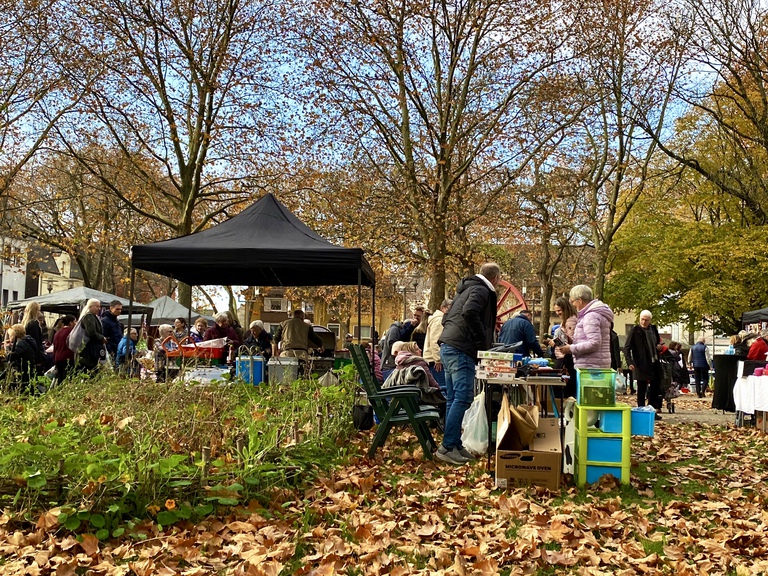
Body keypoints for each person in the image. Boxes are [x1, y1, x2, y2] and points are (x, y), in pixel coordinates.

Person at [436, 262, 501, 465]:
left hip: (449, 346)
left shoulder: (465, 290)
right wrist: (481, 340)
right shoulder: (481, 291)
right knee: (463, 397)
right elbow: (470, 312)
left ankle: (454, 444)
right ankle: (447, 447)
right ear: (496, 278)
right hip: (461, 349)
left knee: (454, 398)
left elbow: (446, 319)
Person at [557, 285, 614, 370]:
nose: (572, 304)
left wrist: (571, 348)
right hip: (596, 363)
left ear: (579, 300)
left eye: (572, 301)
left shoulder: (590, 316)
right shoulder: (595, 314)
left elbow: (594, 343)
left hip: (590, 366)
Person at [623, 310, 663, 415]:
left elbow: (658, 343)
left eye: (646, 320)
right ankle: (641, 412)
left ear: (650, 321)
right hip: (641, 363)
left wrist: (658, 347)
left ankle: (652, 411)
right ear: (639, 319)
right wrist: (630, 361)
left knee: (655, 388)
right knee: (641, 389)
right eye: (642, 319)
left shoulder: (653, 330)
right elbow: (627, 348)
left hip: (654, 362)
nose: (644, 322)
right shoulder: (635, 331)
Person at [547, 297, 578, 397]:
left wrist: (556, 342)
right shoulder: (568, 320)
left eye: (559, 310)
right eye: (556, 311)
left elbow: (572, 340)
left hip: (566, 358)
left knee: (564, 384)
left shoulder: (570, 321)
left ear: (565, 308)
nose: (558, 313)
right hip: (565, 357)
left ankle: (564, 403)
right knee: (565, 382)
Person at [423, 298, 452, 391]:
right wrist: (438, 359)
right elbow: (435, 341)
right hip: (435, 360)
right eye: (450, 308)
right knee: (442, 387)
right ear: (443, 308)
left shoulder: (436, 319)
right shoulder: (439, 320)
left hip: (432, 358)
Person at [3, 324, 39, 389]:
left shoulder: (21, 344)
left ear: (14, 335)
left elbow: (11, 358)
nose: (10, 337)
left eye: (10, 335)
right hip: (29, 370)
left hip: (23, 372)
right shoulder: (28, 341)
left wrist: (7, 348)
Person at [78, 298, 107, 371]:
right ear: (90, 306)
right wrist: (102, 338)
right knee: (91, 370)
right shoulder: (89, 316)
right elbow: (91, 332)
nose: (99, 309)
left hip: (92, 349)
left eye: (99, 307)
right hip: (90, 350)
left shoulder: (93, 317)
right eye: (97, 306)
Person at [52, 315, 76, 383]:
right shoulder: (72, 332)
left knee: (60, 379)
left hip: (58, 358)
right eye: (75, 321)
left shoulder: (57, 333)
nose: (76, 323)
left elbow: (55, 347)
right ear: (71, 323)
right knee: (68, 379)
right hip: (68, 358)